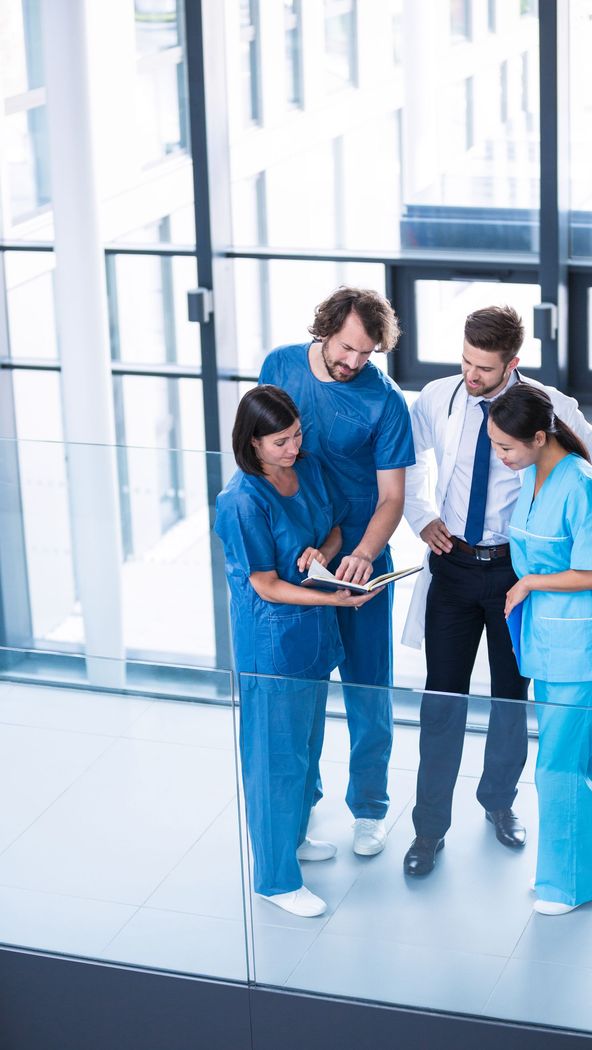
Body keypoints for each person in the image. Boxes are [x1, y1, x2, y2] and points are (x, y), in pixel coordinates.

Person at [401, 306, 592, 877]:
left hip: (512, 572)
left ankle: (499, 802)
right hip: (451, 564)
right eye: (467, 362)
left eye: (485, 368)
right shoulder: (438, 396)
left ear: (513, 363)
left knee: (508, 697)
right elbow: (405, 459)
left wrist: (557, 537)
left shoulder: (547, 407)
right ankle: (428, 829)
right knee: (441, 700)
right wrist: (422, 516)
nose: (472, 376)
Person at [214, 386, 381, 918]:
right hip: (273, 646)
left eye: (297, 436)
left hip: (312, 637)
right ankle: (274, 877)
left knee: (305, 750)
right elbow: (265, 584)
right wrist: (334, 595)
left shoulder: (304, 470)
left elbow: (331, 530)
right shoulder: (241, 500)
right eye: (281, 441)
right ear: (253, 444)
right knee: (274, 761)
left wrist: (324, 553)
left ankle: (292, 840)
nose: (293, 447)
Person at [259, 287, 415, 857]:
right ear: (325, 328)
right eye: (347, 348)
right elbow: (259, 450)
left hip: (358, 560)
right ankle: (298, 812)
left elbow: (392, 497)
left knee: (368, 688)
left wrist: (365, 553)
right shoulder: (278, 365)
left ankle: (370, 808)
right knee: (300, 692)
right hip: (296, 559)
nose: (353, 362)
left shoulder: (386, 403)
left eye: (366, 354)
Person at [489, 383, 592, 914]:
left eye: (506, 447)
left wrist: (528, 585)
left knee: (558, 765)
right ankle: (584, 872)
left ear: (539, 437)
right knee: (580, 759)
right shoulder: (535, 476)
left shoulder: (583, 486)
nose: (500, 456)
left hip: (581, 644)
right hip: (550, 638)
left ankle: (565, 884)